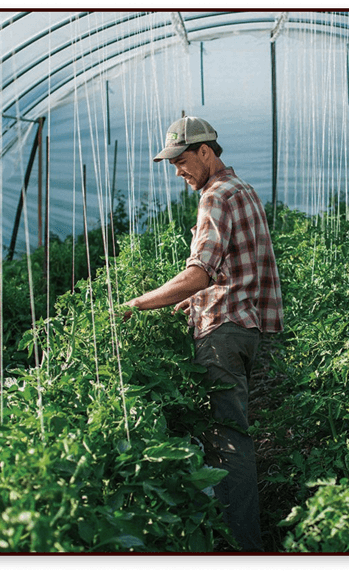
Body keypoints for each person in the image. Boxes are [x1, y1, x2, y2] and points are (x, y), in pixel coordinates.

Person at [123, 116, 283, 552]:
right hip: (248, 328)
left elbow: (199, 274)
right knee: (235, 430)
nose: (178, 171)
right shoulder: (244, 190)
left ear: (206, 152)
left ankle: (242, 544)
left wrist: (141, 301)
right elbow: (234, 269)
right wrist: (186, 301)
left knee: (228, 441)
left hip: (223, 333)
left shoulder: (214, 196)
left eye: (182, 160)